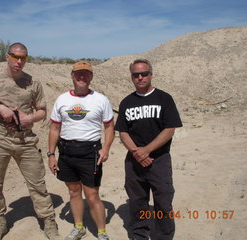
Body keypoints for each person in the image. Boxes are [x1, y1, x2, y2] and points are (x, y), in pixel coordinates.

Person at [0, 42, 61, 240]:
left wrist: (30, 118)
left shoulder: (33, 83)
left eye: (23, 58)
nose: (19, 61)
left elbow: (42, 111)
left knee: (37, 183)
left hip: (26, 140)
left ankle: (48, 222)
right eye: (15, 56)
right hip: (0, 139)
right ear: (7, 56)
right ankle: (0, 222)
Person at [115, 59, 182, 240]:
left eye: (144, 73)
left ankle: (164, 236)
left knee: (163, 201)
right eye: (136, 75)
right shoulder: (127, 102)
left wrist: (147, 150)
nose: (140, 77)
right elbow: (123, 131)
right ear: (132, 77)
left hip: (159, 159)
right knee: (137, 201)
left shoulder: (164, 98)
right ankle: (139, 234)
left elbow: (169, 129)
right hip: (134, 161)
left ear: (151, 74)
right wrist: (137, 153)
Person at [48, 61, 115, 240]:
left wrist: (106, 148)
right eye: (78, 73)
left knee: (92, 195)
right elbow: (54, 128)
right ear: (72, 75)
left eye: (86, 74)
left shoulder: (100, 99)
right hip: (67, 152)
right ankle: (79, 227)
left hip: (90, 152)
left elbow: (109, 127)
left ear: (91, 77)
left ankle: (101, 232)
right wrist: (51, 154)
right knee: (73, 191)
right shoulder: (62, 99)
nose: (82, 77)